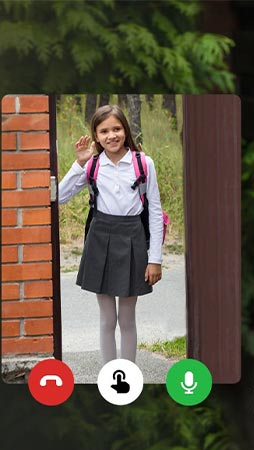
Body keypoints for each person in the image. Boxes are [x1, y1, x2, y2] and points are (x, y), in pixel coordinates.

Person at [58, 104, 164, 365]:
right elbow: (59, 196)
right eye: (104, 131)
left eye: (116, 129)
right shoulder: (92, 165)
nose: (111, 136)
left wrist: (155, 259)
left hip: (133, 238)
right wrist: (79, 163)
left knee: (127, 317)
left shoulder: (143, 163)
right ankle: (109, 372)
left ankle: (127, 372)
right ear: (95, 136)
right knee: (107, 317)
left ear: (125, 131)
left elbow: (155, 212)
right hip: (100, 239)